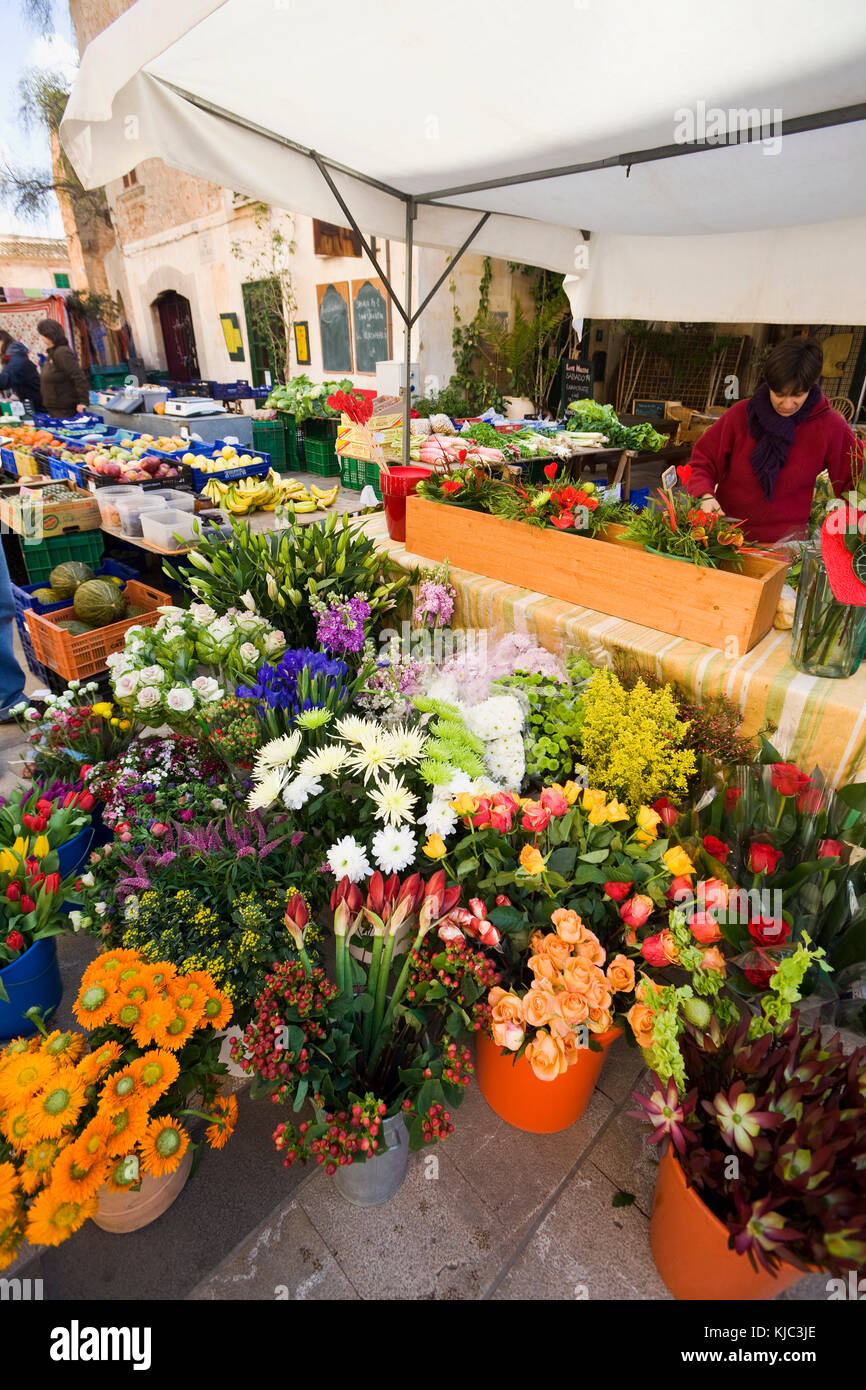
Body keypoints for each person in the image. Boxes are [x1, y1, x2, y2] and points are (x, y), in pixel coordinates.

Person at [684, 337, 862, 543]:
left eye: (797, 394)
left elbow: (854, 484)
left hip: (788, 546)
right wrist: (705, 496)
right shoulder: (740, 415)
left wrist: (851, 534)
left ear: (811, 387)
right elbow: (703, 462)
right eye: (779, 394)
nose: (787, 404)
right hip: (726, 539)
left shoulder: (829, 425)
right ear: (768, 384)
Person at [37, 318, 90, 418]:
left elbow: (78, 376)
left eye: (43, 335)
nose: (42, 338)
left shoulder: (62, 352)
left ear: (49, 335)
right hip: (55, 407)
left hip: (65, 409)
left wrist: (83, 401)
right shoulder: (52, 353)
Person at [0, 331, 43, 413]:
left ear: (2, 341)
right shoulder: (15, 357)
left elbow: (5, 380)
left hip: (37, 407)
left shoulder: (16, 359)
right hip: (32, 403)